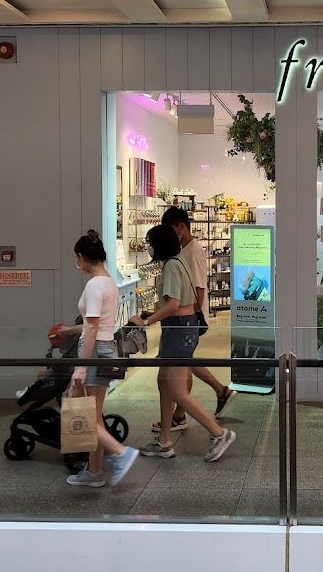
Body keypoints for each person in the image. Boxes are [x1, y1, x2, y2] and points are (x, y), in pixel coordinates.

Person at [132, 224, 236, 462]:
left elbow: (173, 305)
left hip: (178, 331)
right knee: (164, 383)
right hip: (180, 328)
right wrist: (153, 313)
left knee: (177, 391)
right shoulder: (178, 262)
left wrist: (147, 322)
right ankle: (165, 440)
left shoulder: (170, 266)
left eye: (150, 242)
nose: (148, 247)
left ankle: (219, 433)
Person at [65, 230, 139, 488]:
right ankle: (94, 471)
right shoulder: (108, 281)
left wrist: (81, 368)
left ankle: (120, 453)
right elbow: (95, 324)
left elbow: (93, 327)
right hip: (105, 349)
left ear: (82, 257)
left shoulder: (95, 284)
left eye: (77, 258)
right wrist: (70, 330)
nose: (77, 263)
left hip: (94, 352)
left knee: (83, 415)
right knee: (94, 415)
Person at [158, 206, 235, 434]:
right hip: (184, 320)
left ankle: (188, 416)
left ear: (181, 227)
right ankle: (216, 393)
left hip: (186, 321)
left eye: (171, 230)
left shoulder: (193, 252)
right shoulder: (183, 252)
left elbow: (199, 288)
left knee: (179, 371)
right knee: (185, 364)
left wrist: (190, 315)